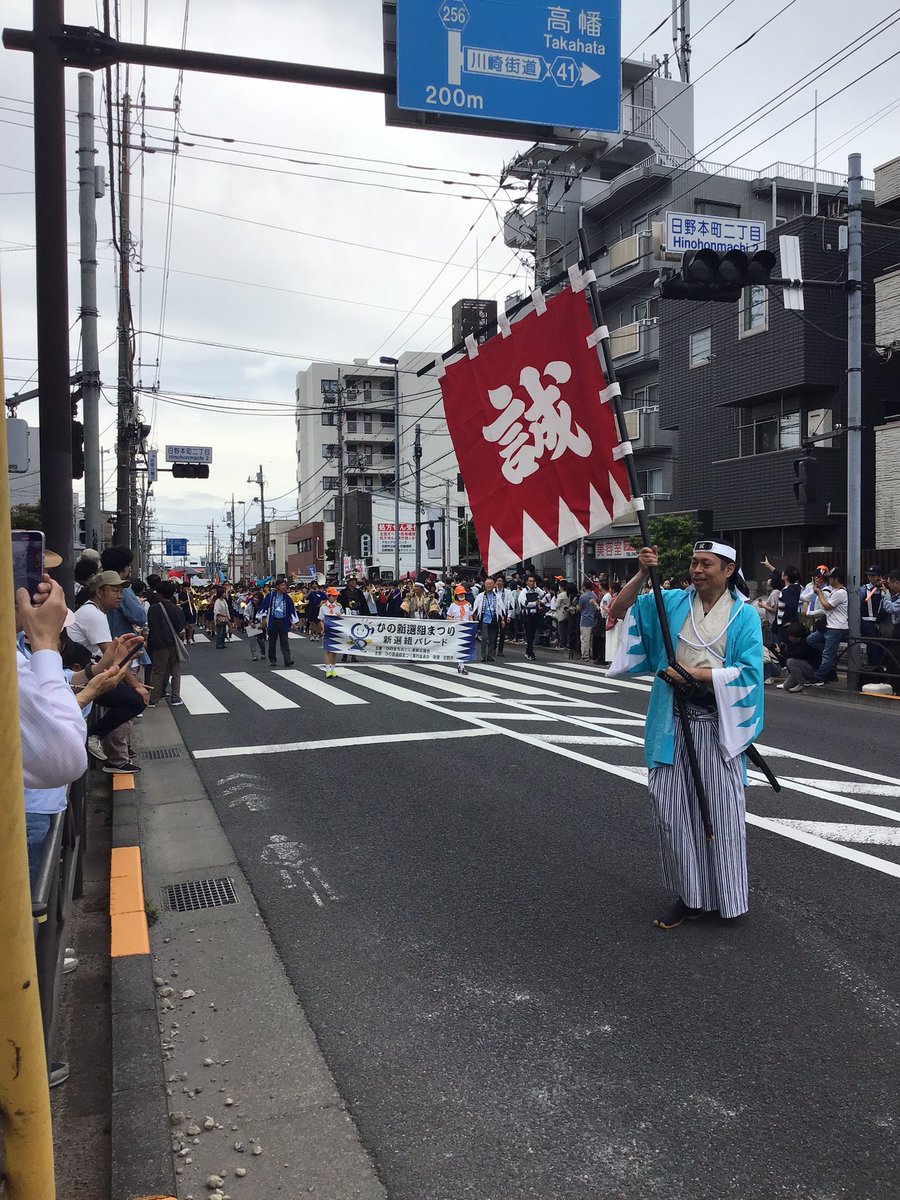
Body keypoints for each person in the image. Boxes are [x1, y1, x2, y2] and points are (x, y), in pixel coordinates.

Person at [608, 540, 764, 929]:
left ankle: (727, 896)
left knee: (722, 812)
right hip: (672, 719)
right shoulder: (673, 602)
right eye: (693, 563)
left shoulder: (744, 616)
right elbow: (618, 610)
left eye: (705, 564)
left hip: (717, 723)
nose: (696, 570)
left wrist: (695, 675)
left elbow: (749, 674)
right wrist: (644, 573)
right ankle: (689, 895)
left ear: (727, 570)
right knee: (671, 810)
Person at [67, 570, 148, 772]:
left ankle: (96, 737)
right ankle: (93, 736)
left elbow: (112, 657)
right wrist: (137, 685)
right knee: (134, 701)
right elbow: (111, 657)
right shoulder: (94, 614)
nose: (119, 595)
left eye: (121, 591)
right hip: (80, 677)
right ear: (99, 592)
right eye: (114, 590)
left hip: (86, 672)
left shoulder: (95, 612)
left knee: (129, 699)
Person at [146, 581, 187, 707]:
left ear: (159, 594)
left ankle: (153, 699)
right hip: (173, 644)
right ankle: (175, 697)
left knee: (158, 671)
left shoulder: (153, 609)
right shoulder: (177, 609)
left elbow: (150, 626)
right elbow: (181, 628)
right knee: (175, 671)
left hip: (158, 644)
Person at [807, 567, 849, 687]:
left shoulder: (841, 592)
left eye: (830, 577)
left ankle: (819, 678)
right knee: (811, 639)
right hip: (830, 626)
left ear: (836, 579)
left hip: (837, 627)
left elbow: (827, 606)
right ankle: (831, 657)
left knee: (826, 654)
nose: (829, 580)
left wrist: (819, 593)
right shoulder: (835, 591)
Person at [472, 576, 504, 662]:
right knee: (485, 638)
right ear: (485, 585)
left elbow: (501, 608)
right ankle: (483, 655)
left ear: (494, 585)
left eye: (490, 584)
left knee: (492, 638)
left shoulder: (496, 596)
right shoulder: (481, 596)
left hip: (493, 619)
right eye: (487, 584)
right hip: (484, 619)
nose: (489, 586)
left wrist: (503, 619)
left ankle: (490, 655)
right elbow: (475, 608)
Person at [445, 584, 474, 675]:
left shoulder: (468, 605)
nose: (462, 596)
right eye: (460, 594)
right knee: (459, 647)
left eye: (463, 594)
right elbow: (448, 617)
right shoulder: (453, 605)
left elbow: (470, 617)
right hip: (456, 628)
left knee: (464, 648)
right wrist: (454, 621)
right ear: (456, 595)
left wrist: (472, 626)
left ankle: (461, 665)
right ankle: (461, 666)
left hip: (466, 628)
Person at [517, 575, 546, 661]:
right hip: (527, 615)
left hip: (535, 614)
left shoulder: (537, 590)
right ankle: (529, 652)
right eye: (530, 581)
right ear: (526, 582)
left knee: (533, 633)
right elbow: (525, 603)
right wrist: (535, 603)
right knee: (529, 633)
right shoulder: (523, 592)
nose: (532, 583)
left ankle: (529, 651)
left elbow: (544, 595)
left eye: (533, 581)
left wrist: (539, 600)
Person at [320, 587, 344, 679]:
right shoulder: (323, 607)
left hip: (336, 629)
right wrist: (323, 629)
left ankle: (333, 669)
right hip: (327, 630)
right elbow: (321, 619)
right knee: (327, 650)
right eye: (333, 596)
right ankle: (328, 670)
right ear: (328, 596)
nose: (335, 598)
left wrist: (340, 616)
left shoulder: (339, 606)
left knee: (334, 651)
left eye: (336, 596)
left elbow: (343, 617)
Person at [577, 581, 598, 661]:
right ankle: (592, 653)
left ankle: (585, 655)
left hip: (585, 619)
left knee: (584, 638)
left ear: (584, 587)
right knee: (591, 639)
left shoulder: (583, 597)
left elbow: (579, 608)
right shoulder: (595, 596)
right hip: (593, 618)